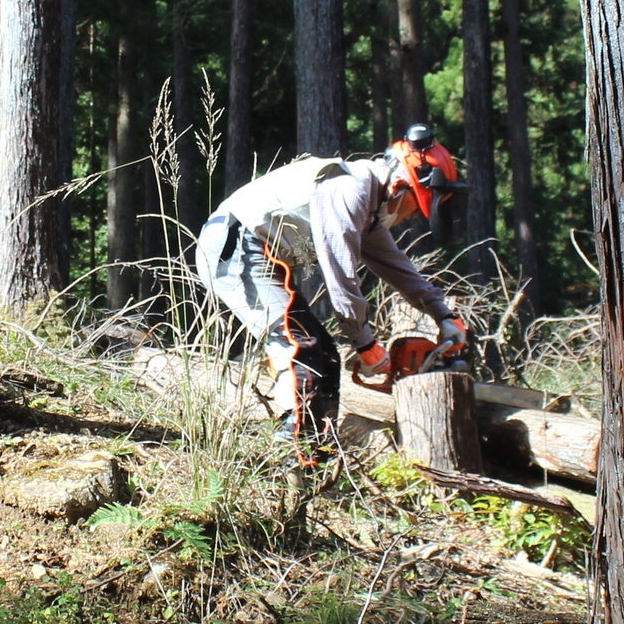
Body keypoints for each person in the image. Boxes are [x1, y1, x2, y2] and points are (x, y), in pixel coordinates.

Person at [196, 131, 471, 452]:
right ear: (400, 186)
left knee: (325, 354)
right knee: (301, 350)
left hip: (254, 251)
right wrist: (365, 343)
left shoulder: (367, 206)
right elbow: (341, 280)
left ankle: (320, 452)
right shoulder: (349, 190)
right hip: (236, 246)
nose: (409, 218)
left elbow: (398, 268)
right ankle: (291, 458)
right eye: (413, 210)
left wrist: (444, 315)